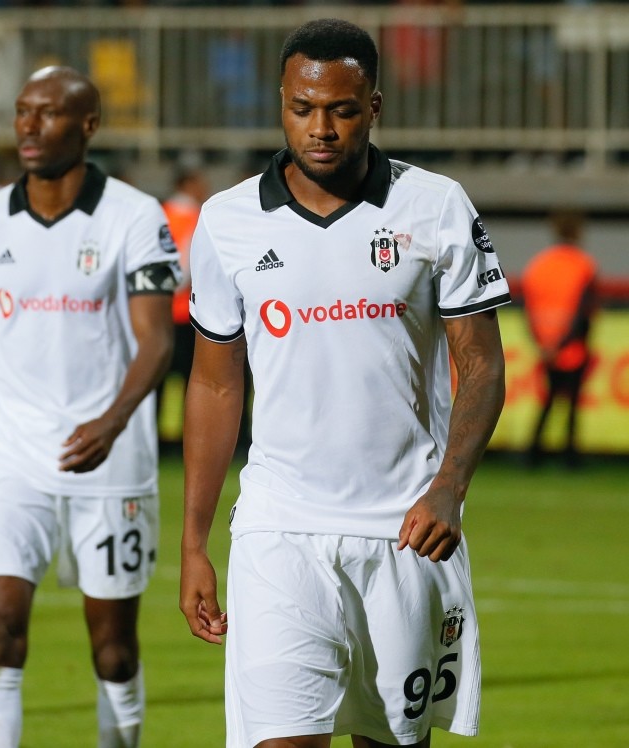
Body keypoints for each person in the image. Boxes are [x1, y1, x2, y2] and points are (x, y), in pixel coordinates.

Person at [179, 19, 509, 748]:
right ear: (281, 103)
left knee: (391, 743)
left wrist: (451, 486)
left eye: (342, 109)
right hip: (278, 528)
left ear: (375, 106)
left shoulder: (436, 207)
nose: (320, 127)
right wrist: (194, 541)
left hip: (406, 533)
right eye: (302, 108)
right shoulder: (227, 221)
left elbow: (482, 364)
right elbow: (213, 388)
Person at [0, 66, 179, 748]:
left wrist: (111, 423)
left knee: (112, 647)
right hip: (9, 458)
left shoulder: (135, 216)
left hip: (107, 464)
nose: (28, 125)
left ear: (88, 125)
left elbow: (158, 340)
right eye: (22, 111)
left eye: (47, 114)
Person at [522, 209, 597, 467]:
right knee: (572, 403)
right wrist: (563, 343)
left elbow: (528, 307)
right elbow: (583, 312)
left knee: (548, 401)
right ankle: (570, 457)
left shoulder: (539, 264)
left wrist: (543, 344)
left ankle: (533, 454)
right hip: (572, 347)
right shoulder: (583, 265)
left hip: (545, 344)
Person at [158, 163, 209, 450]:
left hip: (158, 311)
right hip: (187, 312)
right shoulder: (197, 216)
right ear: (189, 184)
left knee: (160, 379)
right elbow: (186, 266)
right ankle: (182, 438)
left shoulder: (158, 214)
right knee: (193, 379)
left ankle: (160, 437)